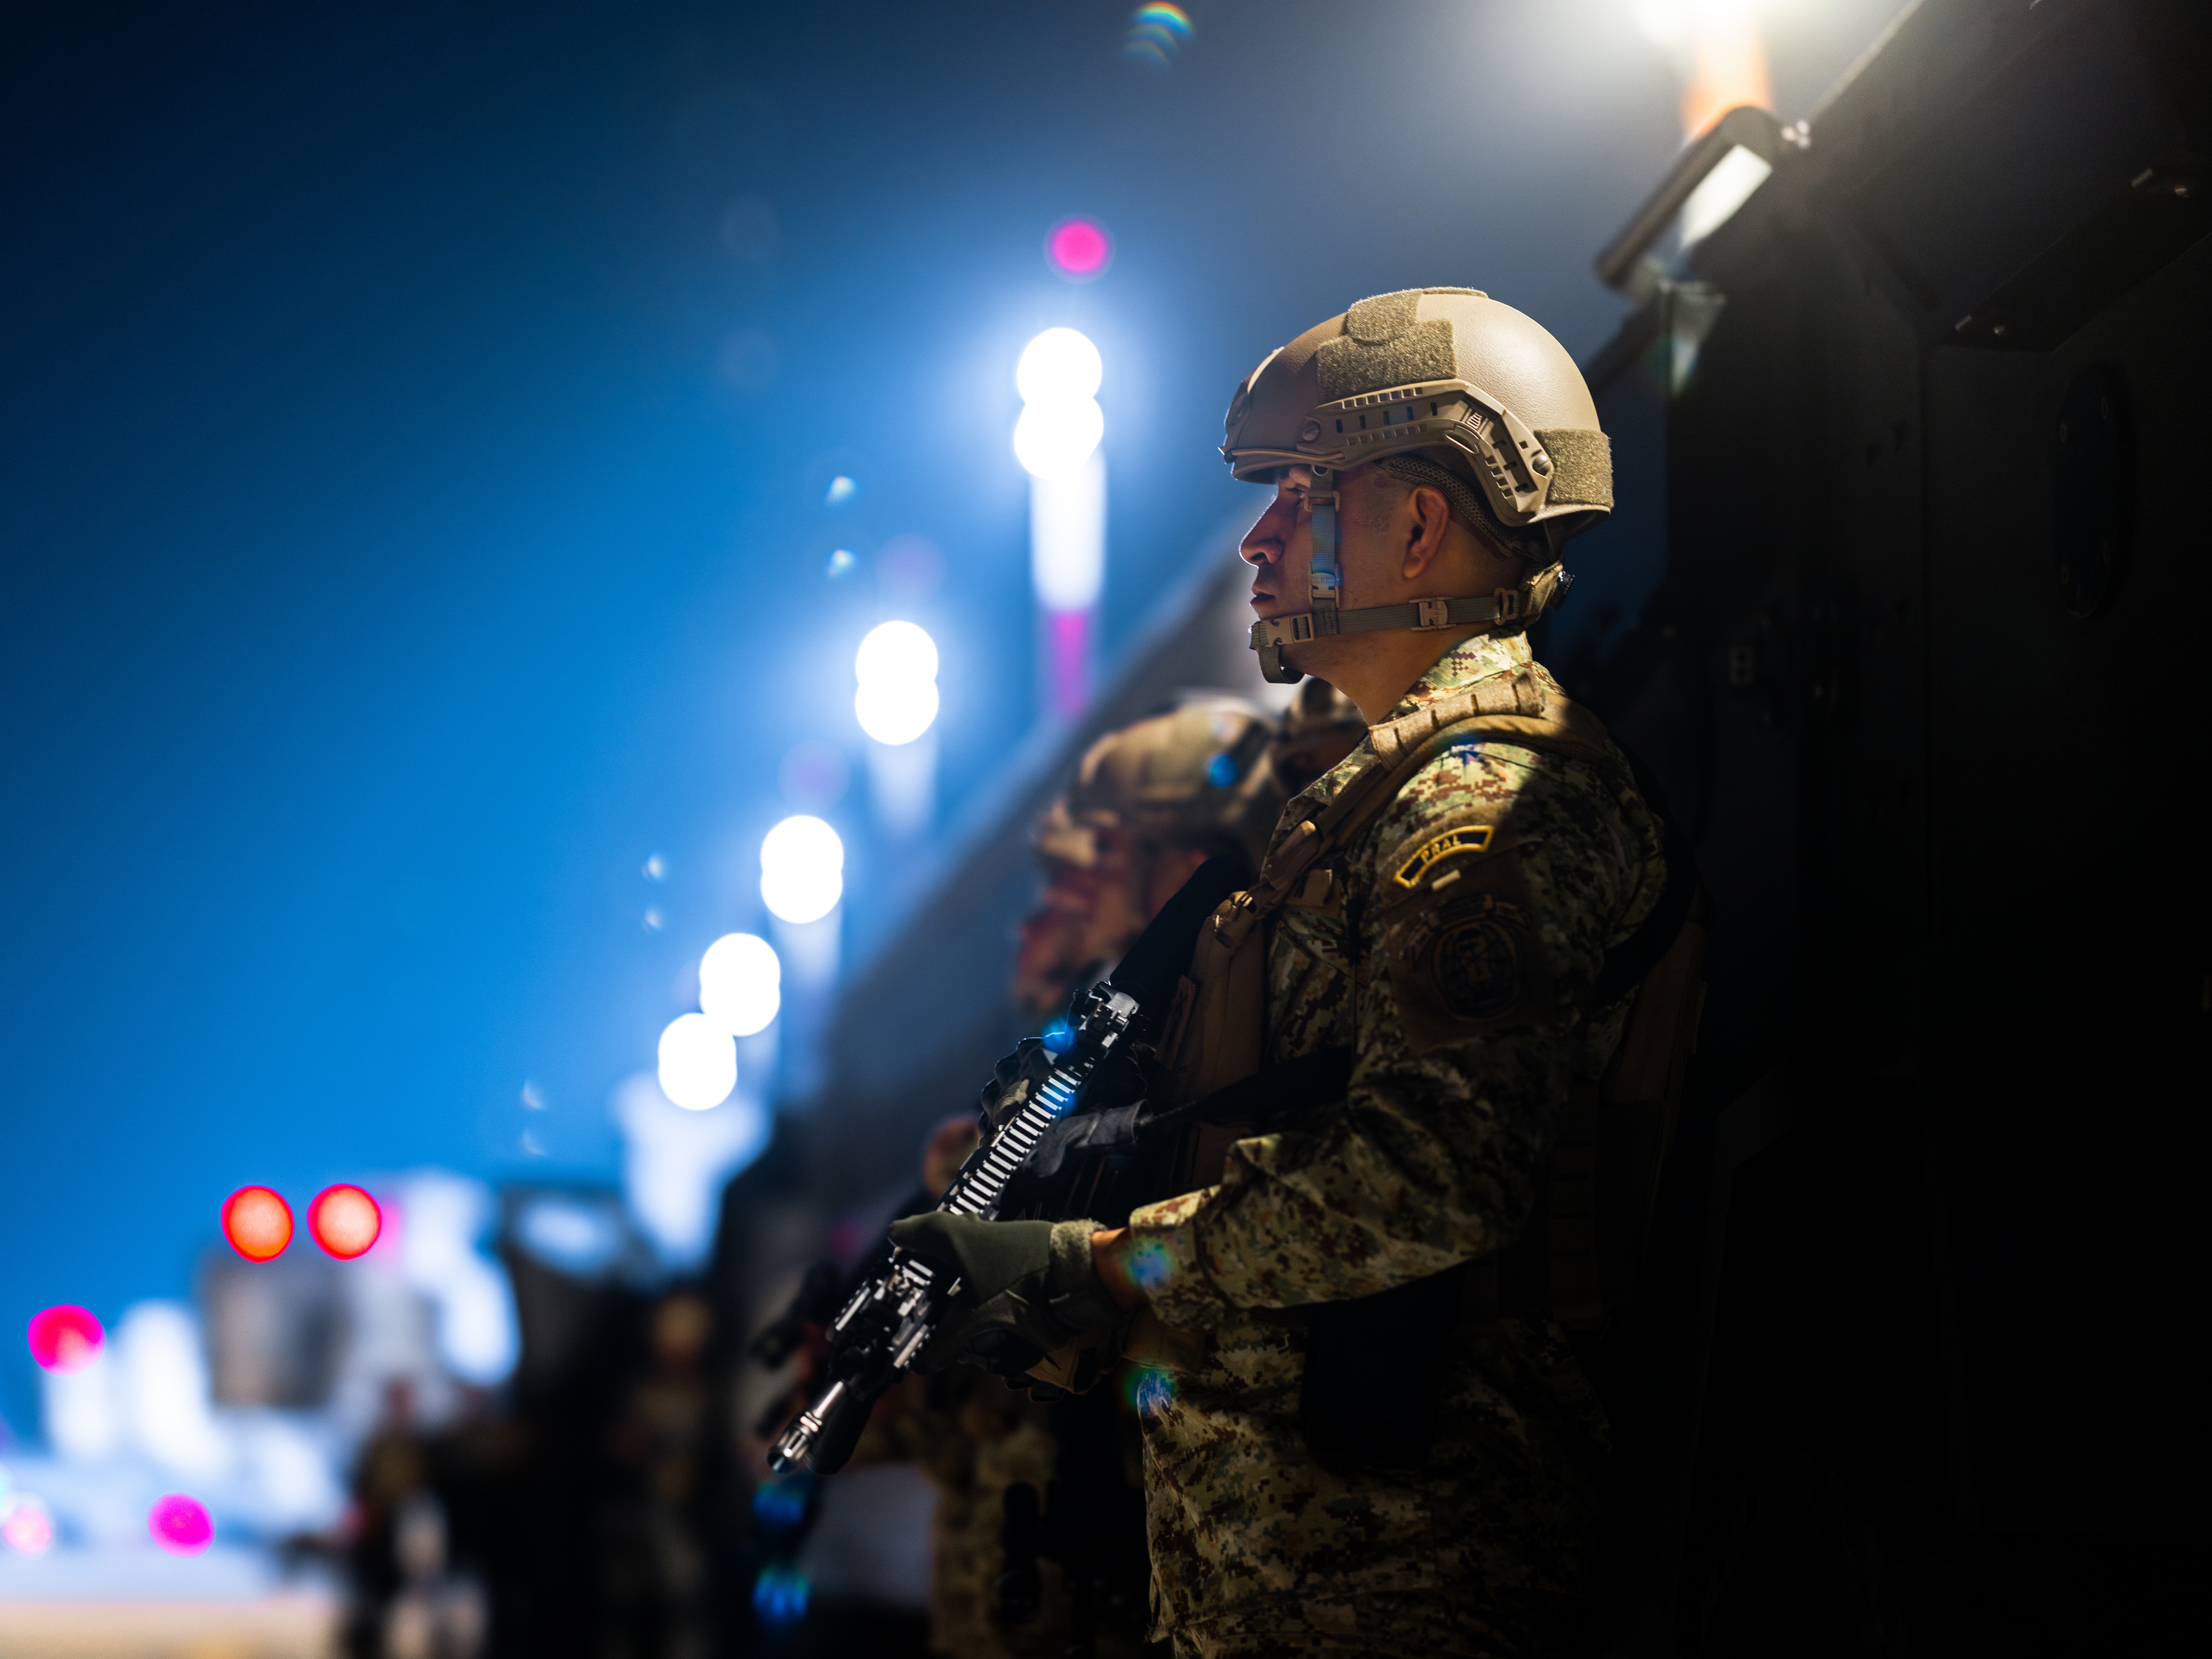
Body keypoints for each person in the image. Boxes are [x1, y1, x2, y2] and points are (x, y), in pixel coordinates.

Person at [894, 288, 1692, 1656]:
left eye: (1303, 493)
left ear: (1422, 524)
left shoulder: (1482, 807)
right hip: (1303, 1563)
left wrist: (1108, 1263)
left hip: (1401, 1562)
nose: (1261, 538)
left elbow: (1429, 1173)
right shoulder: (1379, 808)